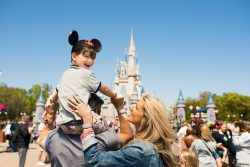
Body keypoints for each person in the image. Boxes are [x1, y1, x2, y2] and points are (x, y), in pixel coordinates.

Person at [69, 94, 182, 167]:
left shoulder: (141, 151)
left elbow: (94, 160)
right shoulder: (151, 146)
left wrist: (87, 121)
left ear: (146, 118)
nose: (131, 107)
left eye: (136, 107)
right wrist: (119, 108)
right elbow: (127, 136)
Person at [46, 30, 116, 135]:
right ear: (74, 56)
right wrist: (113, 95)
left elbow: (55, 93)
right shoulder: (87, 74)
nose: (90, 61)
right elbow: (104, 88)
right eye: (86, 56)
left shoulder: (65, 74)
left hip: (63, 124)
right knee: (106, 129)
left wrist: (49, 103)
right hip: (79, 123)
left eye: (93, 58)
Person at [41, 93, 133, 167]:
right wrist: (120, 107)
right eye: (99, 111)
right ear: (95, 112)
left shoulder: (55, 137)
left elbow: (41, 140)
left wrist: (50, 115)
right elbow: (128, 135)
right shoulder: (104, 138)